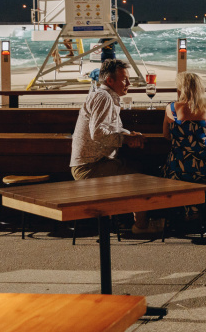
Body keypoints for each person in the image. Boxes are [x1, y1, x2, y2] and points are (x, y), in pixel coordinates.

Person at [69, 59, 161, 234]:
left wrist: (129, 134)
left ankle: (130, 221)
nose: (129, 83)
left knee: (138, 169)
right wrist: (125, 140)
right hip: (90, 167)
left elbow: (110, 128)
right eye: (125, 79)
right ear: (110, 80)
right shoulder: (103, 97)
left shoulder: (106, 96)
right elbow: (98, 132)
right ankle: (141, 226)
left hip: (95, 163)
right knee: (141, 179)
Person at [161, 72, 206, 232]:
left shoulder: (171, 108)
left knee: (169, 171)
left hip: (179, 168)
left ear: (180, 89)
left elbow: (166, 135)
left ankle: (188, 214)